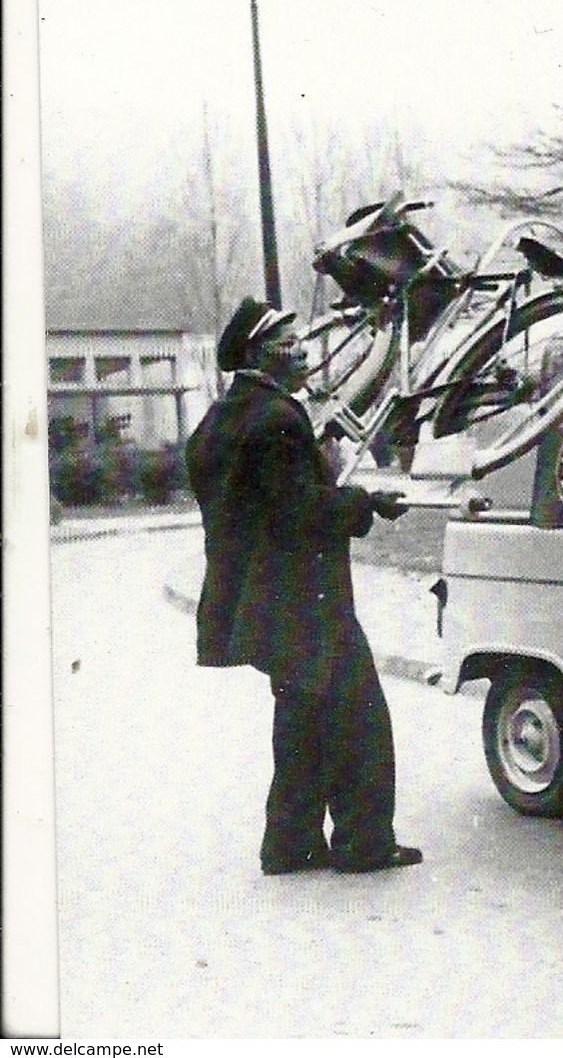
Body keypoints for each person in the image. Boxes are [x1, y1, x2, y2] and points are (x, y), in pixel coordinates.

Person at [186, 297, 422, 876]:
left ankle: (290, 845)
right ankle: (365, 845)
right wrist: (366, 501)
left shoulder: (224, 416)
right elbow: (300, 515)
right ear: (259, 355)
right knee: (361, 718)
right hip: (307, 602)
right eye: (288, 344)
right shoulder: (276, 419)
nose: (303, 351)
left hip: (264, 603)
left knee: (303, 720)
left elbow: (260, 506)